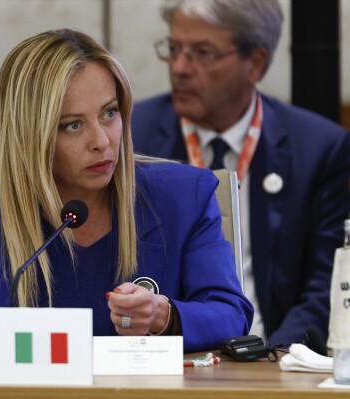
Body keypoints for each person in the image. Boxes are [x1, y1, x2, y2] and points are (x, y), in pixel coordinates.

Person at [0, 28, 252, 352]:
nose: (102, 141)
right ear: (30, 136)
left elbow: (231, 314)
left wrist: (162, 315)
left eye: (109, 113)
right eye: (72, 125)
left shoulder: (183, 197)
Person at [131, 0, 350, 346]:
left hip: (275, 354)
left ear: (256, 63)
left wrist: (274, 361)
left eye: (203, 53)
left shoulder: (318, 149)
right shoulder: (133, 139)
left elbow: (326, 283)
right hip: (171, 353)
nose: (180, 68)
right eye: (174, 49)